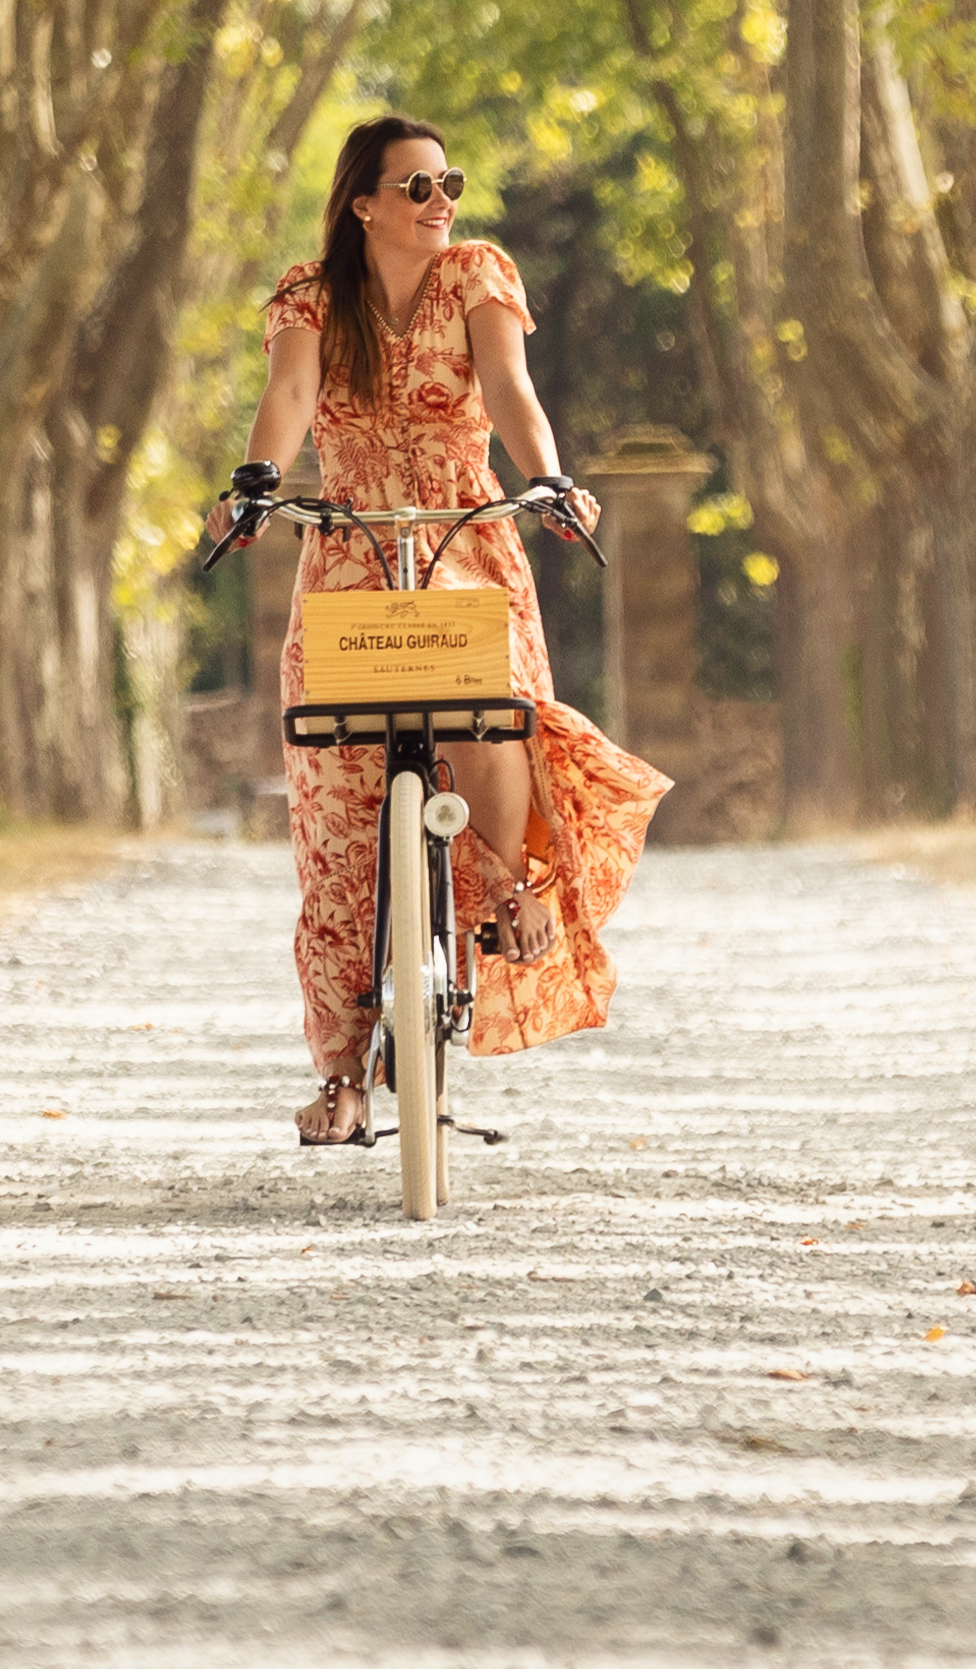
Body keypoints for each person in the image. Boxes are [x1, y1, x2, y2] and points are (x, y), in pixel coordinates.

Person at [196, 114, 668, 1147]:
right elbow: (290, 389)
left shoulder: (477, 276)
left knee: (489, 700)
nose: (438, 201)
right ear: (364, 204)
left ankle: (507, 884)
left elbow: (508, 388)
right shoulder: (311, 294)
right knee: (337, 826)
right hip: (352, 540)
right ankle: (341, 1074)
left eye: (447, 182)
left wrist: (548, 478)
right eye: (415, 186)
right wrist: (258, 480)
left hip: (465, 527)